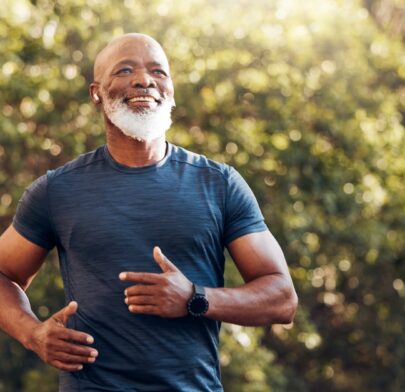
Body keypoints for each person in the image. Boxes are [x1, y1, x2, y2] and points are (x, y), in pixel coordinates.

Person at [0, 33, 298, 391]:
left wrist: (195, 298)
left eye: (158, 71)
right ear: (96, 93)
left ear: (170, 89)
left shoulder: (220, 184)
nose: (144, 80)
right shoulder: (56, 190)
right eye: (125, 70)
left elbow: (282, 299)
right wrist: (32, 334)